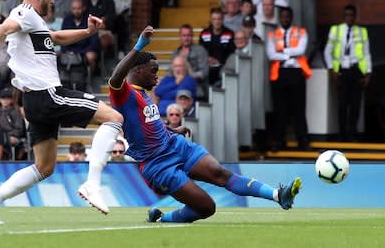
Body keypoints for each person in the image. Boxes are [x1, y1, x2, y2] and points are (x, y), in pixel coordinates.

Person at [0, 0, 124, 224]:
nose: (54, 0)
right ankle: (93, 184)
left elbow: (55, 38)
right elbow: (7, 26)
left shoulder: (36, 23)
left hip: (34, 102)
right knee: (114, 118)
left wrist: (87, 32)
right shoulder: (24, 13)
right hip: (48, 94)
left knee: (44, 167)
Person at [108, 26, 301, 223]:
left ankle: (278, 195)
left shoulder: (143, 94)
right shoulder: (124, 94)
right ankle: (162, 219)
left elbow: (147, 123)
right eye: (153, 71)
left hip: (174, 145)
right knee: (207, 207)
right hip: (157, 164)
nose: (157, 76)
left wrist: (173, 129)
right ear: (138, 70)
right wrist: (140, 45)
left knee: (221, 173)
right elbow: (114, 78)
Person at [324, 4, 372, 142]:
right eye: (347, 15)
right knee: (342, 103)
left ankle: (352, 133)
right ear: (343, 16)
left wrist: (368, 73)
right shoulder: (336, 30)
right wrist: (331, 69)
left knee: (356, 104)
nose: (349, 18)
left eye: (352, 15)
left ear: (355, 17)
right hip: (342, 71)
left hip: (356, 70)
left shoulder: (362, 31)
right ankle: (341, 133)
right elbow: (328, 51)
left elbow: (366, 53)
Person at [267, 7, 312, 151]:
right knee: (280, 109)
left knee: (299, 108)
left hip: (296, 72)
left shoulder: (301, 32)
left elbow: (301, 50)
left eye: (287, 16)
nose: (285, 19)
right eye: (283, 16)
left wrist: (282, 52)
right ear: (279, 18)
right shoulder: (273, 34)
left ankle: (303, 141)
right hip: (278, 74)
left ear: (291, 17)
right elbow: (270, 54)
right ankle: (279, 141)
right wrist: (289, 55)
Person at [199, 7, 236, 86]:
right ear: (211, 20)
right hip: (207, 67)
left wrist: (219, 61)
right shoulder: (204, 33)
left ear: (223, 19)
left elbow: (231, 52)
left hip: (224, 67)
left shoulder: (230, 33)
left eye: (219, 19)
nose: (217, 22)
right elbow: (200, 51)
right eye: (214, 19)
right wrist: (207, 58)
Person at [172, 24, 209, 101]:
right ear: (180, 36)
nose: (186, 38)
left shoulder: (200, 50)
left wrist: (187, 77)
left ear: (192, 36)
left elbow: (204, 72)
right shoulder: (176, 52)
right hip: (177, 86)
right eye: (184, 35)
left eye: (189, 35)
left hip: (196, 86)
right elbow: (170, 71)